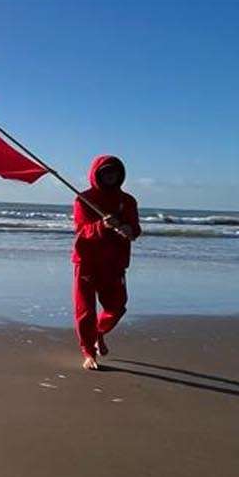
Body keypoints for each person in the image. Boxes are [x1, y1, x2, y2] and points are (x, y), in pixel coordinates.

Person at [72, 155, 141, 370]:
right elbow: (82, 231)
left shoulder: (128, 200)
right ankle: (88, 352)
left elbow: (135, 230)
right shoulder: (83, 199)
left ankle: (98, 333)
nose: (110, 176)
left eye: (114, 172)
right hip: (87, 261)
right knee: (85, 311)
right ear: (97, 174)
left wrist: (130, 230)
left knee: (117, 307)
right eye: (105, 172)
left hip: (115, 262)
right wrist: (103, 226)